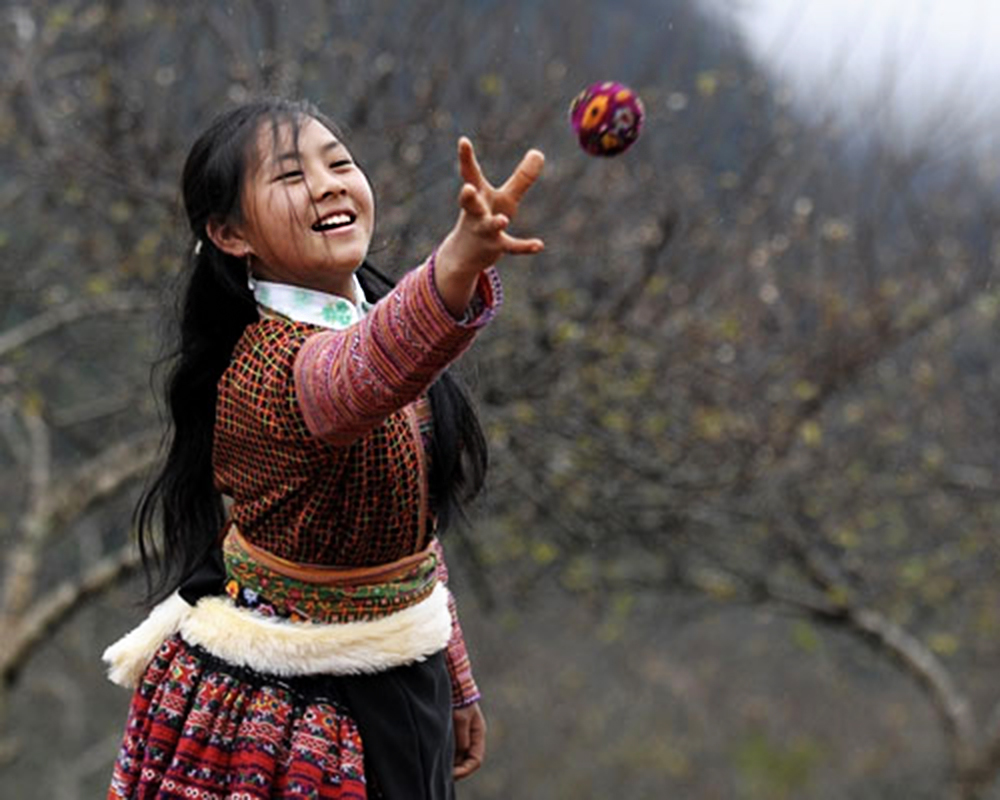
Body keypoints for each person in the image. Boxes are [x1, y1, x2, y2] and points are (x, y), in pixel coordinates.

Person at [102, 96, 544, 799]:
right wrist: (458, 260)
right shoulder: (269, 370)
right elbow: (362, 373)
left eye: (339, 163)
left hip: (401, 681)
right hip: (282, 719)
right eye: (289, 176)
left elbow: (403, 535)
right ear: (228, 232)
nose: (329, 183)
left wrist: (452, 671)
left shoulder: (372, 321)